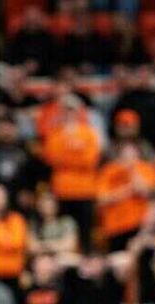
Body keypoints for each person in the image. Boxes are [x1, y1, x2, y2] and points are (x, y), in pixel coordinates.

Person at [43, 94, 101, 252]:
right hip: (62, 191)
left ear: (78, 111)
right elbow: (52, 158)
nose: (69, 113)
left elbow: (90, 160)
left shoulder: (89, 133)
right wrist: (76, 150)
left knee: (86, 234)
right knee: (62, 231)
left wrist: (67, 154)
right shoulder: (54, 134)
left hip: (85, 191)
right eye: (65, 110)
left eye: (72, 110)